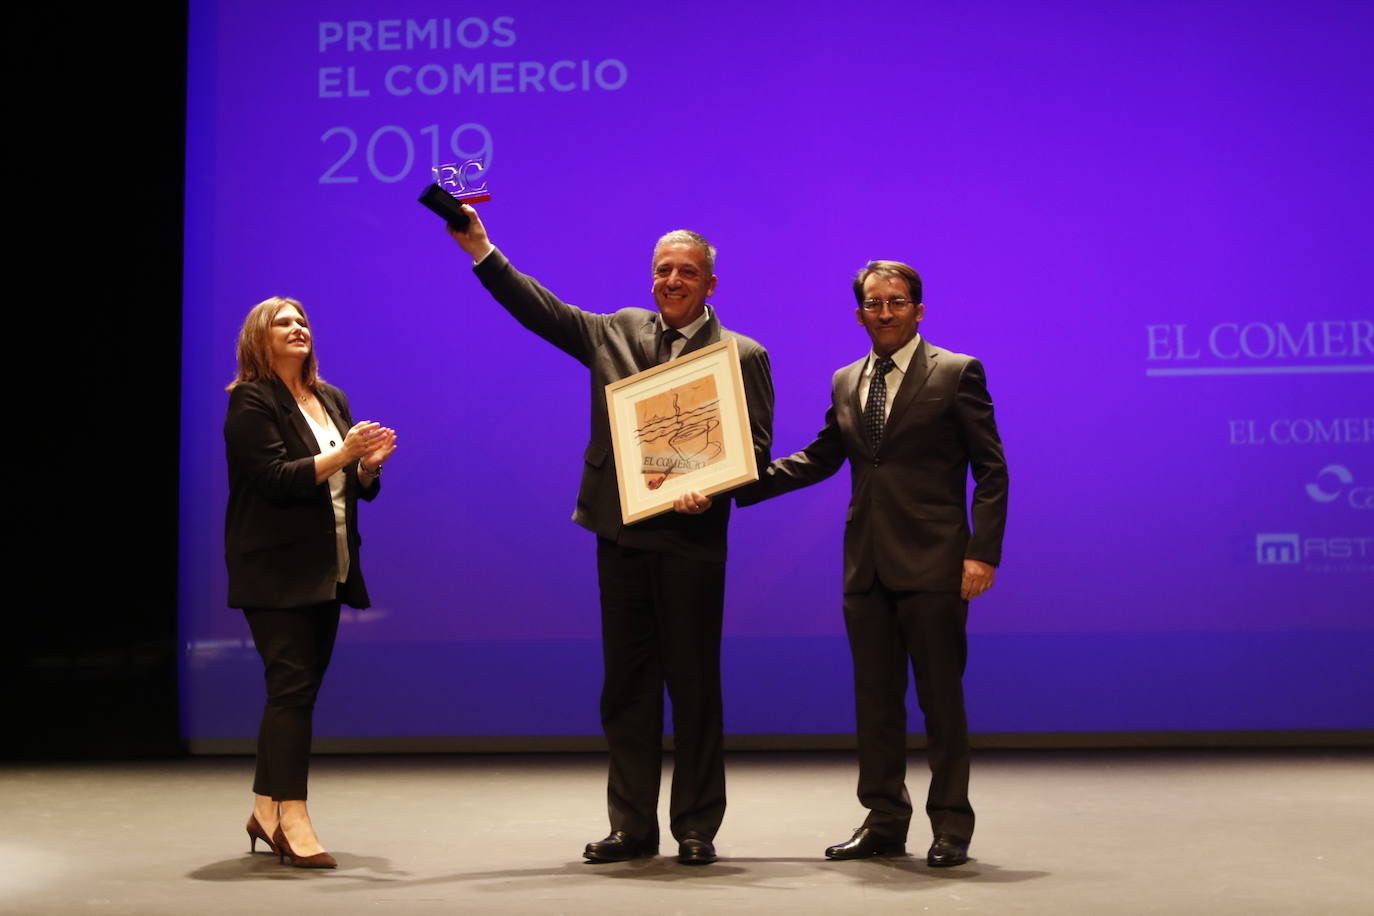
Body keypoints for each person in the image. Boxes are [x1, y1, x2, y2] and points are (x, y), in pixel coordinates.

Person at [446, 208, 773, 865]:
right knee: (625, 687)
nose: (672, 280)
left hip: (693, 540)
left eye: (687, 271)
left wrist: (715, 485)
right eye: (662, 270)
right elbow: (543, 311)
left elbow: (757, 453)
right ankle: (632, 826)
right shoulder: (616, 330)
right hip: (620, 536)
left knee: (694, 686)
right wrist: (480, 247)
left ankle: (696, 828)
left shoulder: (743, 355)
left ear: (711, 283)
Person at [676, 260, 1007, 867]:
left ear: (918, 310)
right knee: (875, 703)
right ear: (859, 314)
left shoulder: (958, 372)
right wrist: (735, 482)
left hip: (936, 564)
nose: (885, 313)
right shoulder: (846, 380)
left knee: (941, 702)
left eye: (897, 302)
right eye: (874, 304)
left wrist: (981, 552)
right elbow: (823, 457)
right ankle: (884, 819)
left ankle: (951, 827)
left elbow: (992, 470)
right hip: (866, 568)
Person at [223, 296, 397, 868]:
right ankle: (291, 815)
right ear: (259, 338)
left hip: (331, 565)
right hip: (275, 568)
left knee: (296, 692)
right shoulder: (251, 400)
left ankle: (262, 806)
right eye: (283, 323)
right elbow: (274, 479)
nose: (298, 328)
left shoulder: (330, 399)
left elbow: (351, 484)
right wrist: (345, 452)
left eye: (302, 322)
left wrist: (366, 464)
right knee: (292, 689)